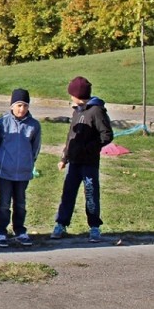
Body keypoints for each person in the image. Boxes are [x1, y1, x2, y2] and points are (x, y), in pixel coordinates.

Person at [52, 76, 114, 242]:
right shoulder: (76, 111)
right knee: (68, 193)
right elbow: (70, 136)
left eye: (71, 94)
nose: (70, 97)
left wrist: (89, 149)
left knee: (91, 193)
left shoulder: (96, 111)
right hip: (74, 163)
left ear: (77, 94)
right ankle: (61, 224)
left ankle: (94, 227)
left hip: (89, 163)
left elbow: (107, 135)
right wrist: (64, 157)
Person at [0, 88, 41, 247]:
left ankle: (20, 230)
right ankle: (1, 232)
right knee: (4, 203)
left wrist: (29, 163)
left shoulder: (34, 125)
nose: (22, 109)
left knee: (20, 203)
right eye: (18, 105)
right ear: (12, 106)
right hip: (5, 171)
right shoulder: (2, 122)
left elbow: (35, 148)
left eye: (25, 106)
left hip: (23, 172)